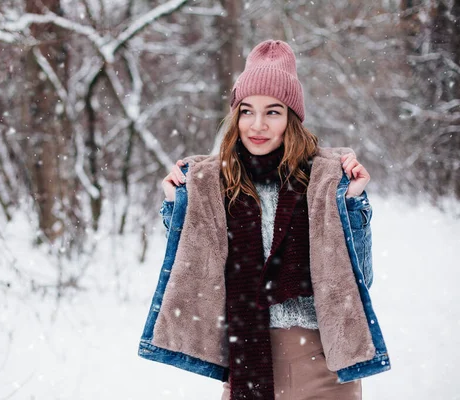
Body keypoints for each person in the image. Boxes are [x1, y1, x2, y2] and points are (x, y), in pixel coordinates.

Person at [138, 39, 391, 400]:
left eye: (273, 111)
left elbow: (358, 280)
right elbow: (195, 274)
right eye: (247, 110)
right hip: (247, 362)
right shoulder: (217, 185)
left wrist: (351, 205)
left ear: (291, 118)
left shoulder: (321, 183)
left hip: (322, 365)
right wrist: (175, 209)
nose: (257, 124)